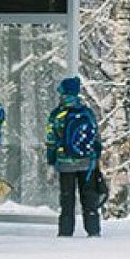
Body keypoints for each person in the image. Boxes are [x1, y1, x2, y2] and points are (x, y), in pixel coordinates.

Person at [45, 76, 103, 238]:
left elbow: (51, 140)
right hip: (87, 162)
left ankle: (65, 231)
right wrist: (95, 158)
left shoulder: (58, 114)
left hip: (65, 163)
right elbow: (96, 138)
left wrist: (51, 162)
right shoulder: (87, 112)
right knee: (89, 197)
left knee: (67, 198)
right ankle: (93, 230)